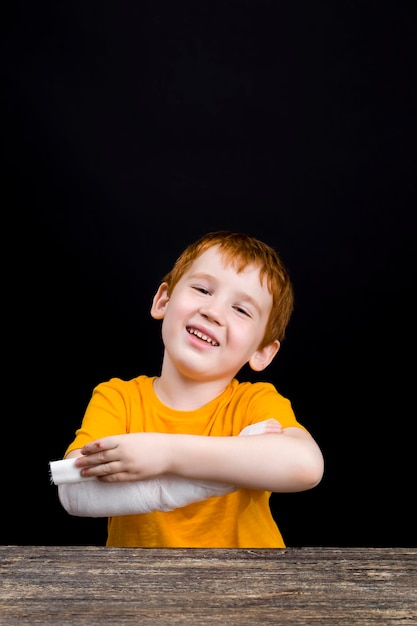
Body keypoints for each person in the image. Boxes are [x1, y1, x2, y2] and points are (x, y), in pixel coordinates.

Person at [53, 230, 324, 548]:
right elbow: (75, 492)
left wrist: (166, 454)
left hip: (249, 588)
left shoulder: (254, 403)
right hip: (140, 590)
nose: (213, 311)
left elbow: (305, 465)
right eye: (202, 289)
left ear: (262, 352)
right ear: (163, 301)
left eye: (241, 310)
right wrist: (186, 485)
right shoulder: (118, 398)